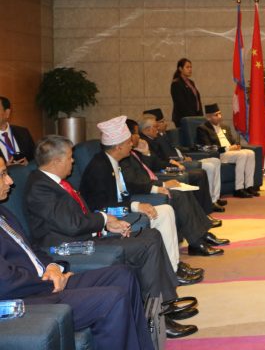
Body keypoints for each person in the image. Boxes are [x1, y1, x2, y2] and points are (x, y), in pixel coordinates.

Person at [22, 135, 198, 338]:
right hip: (67, 247)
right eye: (70, 157)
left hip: (83, 236)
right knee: (145, 246)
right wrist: (104, 219)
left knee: (152, 235)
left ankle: (164, 304)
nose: (73, 161)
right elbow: (72, 225)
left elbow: (76, 218)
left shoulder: (55, 182)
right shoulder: (40, 187)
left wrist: (107, 225)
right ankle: (158, 317)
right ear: (56, 161)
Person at [0, 155, 155, 350]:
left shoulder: (4, 213)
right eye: (3, 174)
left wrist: (54, 267)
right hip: (23, 300)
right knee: (113, 299)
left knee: (123, 274)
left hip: (44, 281)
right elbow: (6, 283)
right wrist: (50, 282)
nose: (10, 181)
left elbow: (33, 249)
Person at [79, 116, 204, 283]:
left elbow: (125, 189)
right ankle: (173, 271)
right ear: (118, 146)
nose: (132, 145)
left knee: (166, 210)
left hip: (121, 207)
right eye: (128, 142)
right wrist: (135, 206)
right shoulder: (99, 167)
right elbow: (101, 207)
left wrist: (136, 204)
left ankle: (173, 266)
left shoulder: (112, 161)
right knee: (163, 213)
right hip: (107, 218)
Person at [119, 118, 228, 257]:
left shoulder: (133, 151)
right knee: (178, 194)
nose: (138, 136)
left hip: (152, 183)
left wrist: (146, 153)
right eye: (135, 133)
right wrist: (162, 185)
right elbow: (135, 182)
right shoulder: (123, 157)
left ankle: (202, 234)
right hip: (142, 193)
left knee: (183, 189)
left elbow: (148, 168)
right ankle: (196, 243)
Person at [143, 108, 226, 211]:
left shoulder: (162, 135)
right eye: (160, 123)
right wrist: (180, 159)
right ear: (148, 129)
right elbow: (166, 157)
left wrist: (185, 154)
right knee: (210, 166)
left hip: (180, 159)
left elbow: (174, 149)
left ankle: (215, 198)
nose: (165, 124)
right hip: (177, 162)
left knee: (215, 161)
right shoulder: (154, 140)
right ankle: (211, 201)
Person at [197, 103, 260, 198]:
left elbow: (232, 141)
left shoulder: (225, 127)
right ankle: (238, 188)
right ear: (208, 117)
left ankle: (249, 186)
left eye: (220, 113)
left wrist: (236, 145)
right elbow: (207, 147)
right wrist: (227, 148)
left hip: (231, 152)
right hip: (220, 154)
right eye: (216, 115)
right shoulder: (203, 129)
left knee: (250, 153)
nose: (219, 116)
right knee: (242, 155)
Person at [0, 96, 36, 165]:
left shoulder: (23, 132)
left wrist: (28, 163)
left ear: (7, 113)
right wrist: (5, 168)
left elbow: (35, 158)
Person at [171, 58, 203, 128]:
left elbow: (197, 100)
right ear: (180, 69)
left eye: (191, 67)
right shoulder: (176, 83)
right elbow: (181, 103)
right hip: (184, 118)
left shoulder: (191, 82)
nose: (190, 69)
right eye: (187, 67)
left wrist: (200, 116)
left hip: (195, 117)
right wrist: (192, 117)